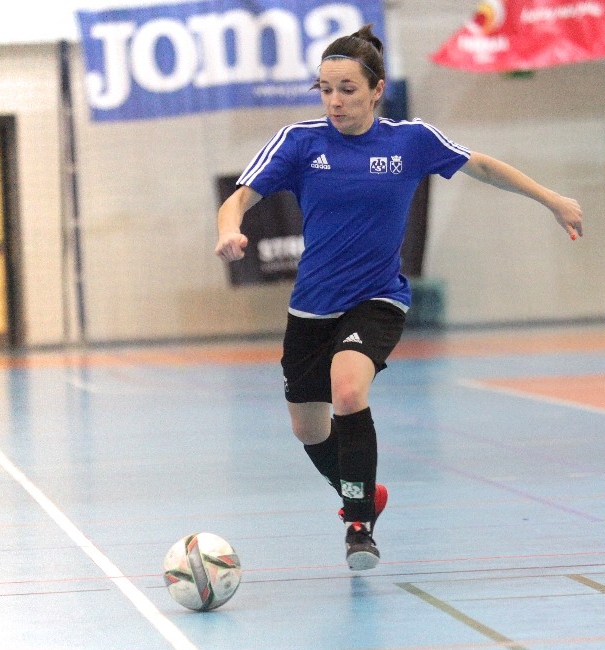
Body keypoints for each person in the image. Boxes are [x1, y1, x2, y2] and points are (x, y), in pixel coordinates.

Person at [215, 25, 583, 571]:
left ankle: (359, 526)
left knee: (347, 390)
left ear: (377, 90)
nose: (335, 101)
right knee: (308, 429)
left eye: (347, 89)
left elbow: (482, 165)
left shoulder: (411, 141)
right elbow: (239, 198)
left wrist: (552, 199)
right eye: (325, 89)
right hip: (312, 307)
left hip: (378, 299)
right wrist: (229, 230)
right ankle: (364, 492)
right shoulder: (300, 142)